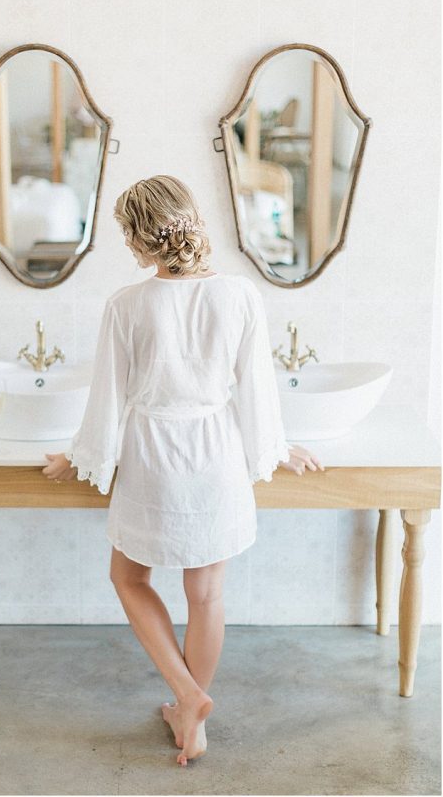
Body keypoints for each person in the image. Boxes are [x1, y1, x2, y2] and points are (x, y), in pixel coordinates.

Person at [42, 175, 324, 766]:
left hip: (152, 456)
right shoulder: (241, 295)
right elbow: (258, 388)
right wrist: (276, 447)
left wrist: (79, 456)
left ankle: (187, 698)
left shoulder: (126, 304)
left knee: (129, 578)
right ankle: (190, 711)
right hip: (216, 453)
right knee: (207, 594)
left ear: (139, 238)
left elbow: (107, 398)